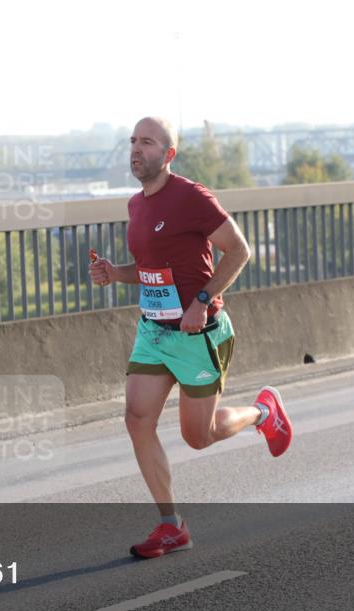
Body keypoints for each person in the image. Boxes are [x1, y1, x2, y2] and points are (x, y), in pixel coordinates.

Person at [89, 117, 292, 560]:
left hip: (198, 334)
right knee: (137, 420)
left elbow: (239, 250)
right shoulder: (136, 206)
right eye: (132, 142)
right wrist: (114, 273)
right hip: (154, 332)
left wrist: (202, 300)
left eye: (147, 142)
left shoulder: (191, 197)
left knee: (200, 436)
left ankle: (263, 412)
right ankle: (171, 525)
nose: (136, 149)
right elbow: (150, 272)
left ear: (169, 154)